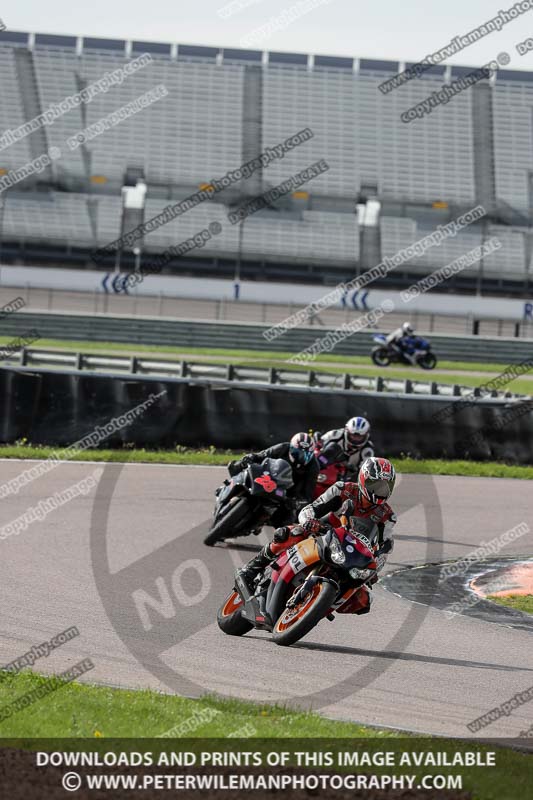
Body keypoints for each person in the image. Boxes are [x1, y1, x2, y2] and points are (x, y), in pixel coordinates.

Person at [238, 456, 397, 615]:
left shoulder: (387, 516)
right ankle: (252, 568)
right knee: (289, 533)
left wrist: (374, 570)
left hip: (352, 555)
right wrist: (308, 521)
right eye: (374, 485)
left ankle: (318, 608)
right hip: (325, 534)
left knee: (364, 601)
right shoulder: (343, 489)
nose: (378, 491)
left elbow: (385, 549)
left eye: (383, 487)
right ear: (363, 479)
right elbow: (311, 509)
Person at [228, 432, 319, 524]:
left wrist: (297, 502)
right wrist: (251, 457)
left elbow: (307, 494)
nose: (301, 457)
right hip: (267, 477)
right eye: (297, 453)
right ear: (291, 449)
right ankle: (229, 487)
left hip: (285, 493)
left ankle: (262, 521)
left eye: (306, 455)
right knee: (238, 465)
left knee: (288, 521)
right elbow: (263, 455)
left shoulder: (313, 466)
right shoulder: (283, 447)